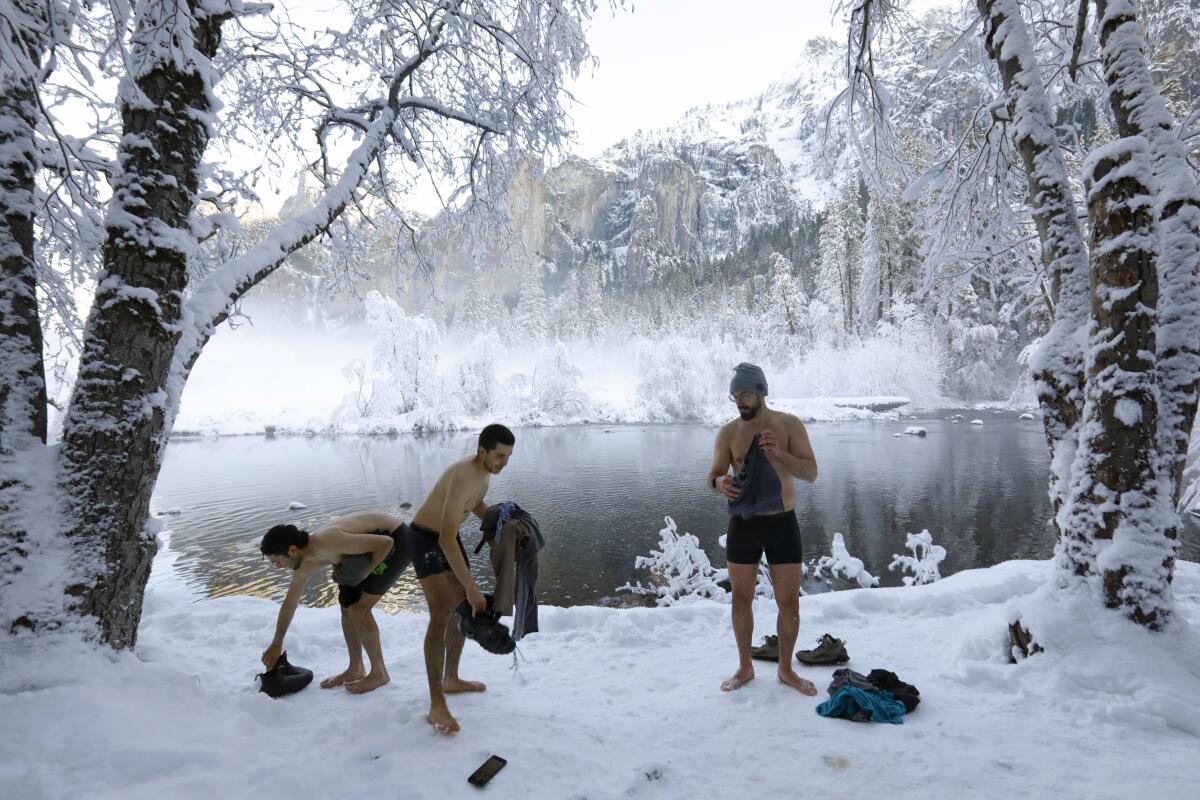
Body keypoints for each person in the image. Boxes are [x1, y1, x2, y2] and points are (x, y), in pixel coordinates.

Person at [707, 363, 819, 695]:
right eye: (735, 395)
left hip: (782, 523)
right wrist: (720, 483)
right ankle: (745, 666)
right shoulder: (728, 434)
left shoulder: (788, 425)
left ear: (761, 391)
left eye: (745, 393)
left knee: (789, 602)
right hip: (744, 525)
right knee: (741, 599)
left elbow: (811, 472)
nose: (739, 400)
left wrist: (780, 456)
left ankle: (786, 670)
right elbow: (712, 476)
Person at [408, 423, 515, 734]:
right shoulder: (462, 474)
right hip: (427, 540)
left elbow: (475, 504)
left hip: (446, 539)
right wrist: (469, 585)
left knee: (462, 611)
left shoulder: (483, 474)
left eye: (508, 457)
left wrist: (497, 526)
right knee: (441, 615)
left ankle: (451, 678)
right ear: (482, 451)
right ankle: (436, 705)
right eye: (499, 456)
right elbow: (444, 537)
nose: (503, 463)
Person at [259, 511, 407, 694]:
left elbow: (386, 544)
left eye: (277, 561)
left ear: (292, 550)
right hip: (365, 549)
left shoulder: (327, 542)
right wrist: (277, 642)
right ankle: (356, 668)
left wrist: (367, 571)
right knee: (346, 608)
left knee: (359, 609)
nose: (278, 567)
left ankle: (379, 673)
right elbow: (290, 603)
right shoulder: (306, 562)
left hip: (397, 538)